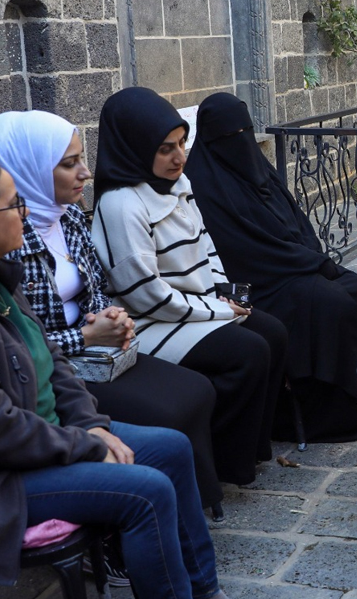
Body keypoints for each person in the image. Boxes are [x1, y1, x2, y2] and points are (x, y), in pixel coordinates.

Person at [0, 153, 225, 599]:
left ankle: (204, 590)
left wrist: (90, 424)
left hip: (36, 444)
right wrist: (87, 445)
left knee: (171, 448)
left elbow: (52, 363)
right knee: (146, 492)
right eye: (14, 203)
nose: (26, 211)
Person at [0, 110, 225, 520]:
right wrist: (86, 337)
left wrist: (109, 315)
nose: (85, 173)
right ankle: (143, 510)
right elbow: (21, 339)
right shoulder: (4, 240)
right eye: (69, 163)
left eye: (82, 159)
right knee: (166, 411)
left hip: (97, 350)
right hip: (62, 361)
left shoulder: (67, 215)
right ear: (28, 169)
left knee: (195, 390)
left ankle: (189, 504)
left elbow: (95, 283)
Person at [91, 86, 287, 486]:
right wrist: (218, 310)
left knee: (273, 332)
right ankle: (220, 461)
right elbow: (147, 295)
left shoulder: (178, 184)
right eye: (165, 149)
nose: (179, 157)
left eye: (182, 143)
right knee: (246, 352)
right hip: (151, 322)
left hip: (195, 306)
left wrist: (224, 289)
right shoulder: (122, 205)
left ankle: (248, 451)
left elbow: (205, 242)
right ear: (135, 147)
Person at [184, 92, 357, 443]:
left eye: (246, 131)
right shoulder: (203, 187)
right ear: (211, 139)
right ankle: (332, 413)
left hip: (294, 265)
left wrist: (312, 257)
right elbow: (244, 251)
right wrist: (309, 263)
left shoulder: (259, 171)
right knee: (334, 305)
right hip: (261, 283)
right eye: (231, 135)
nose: (241, 141)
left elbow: (296, 222)